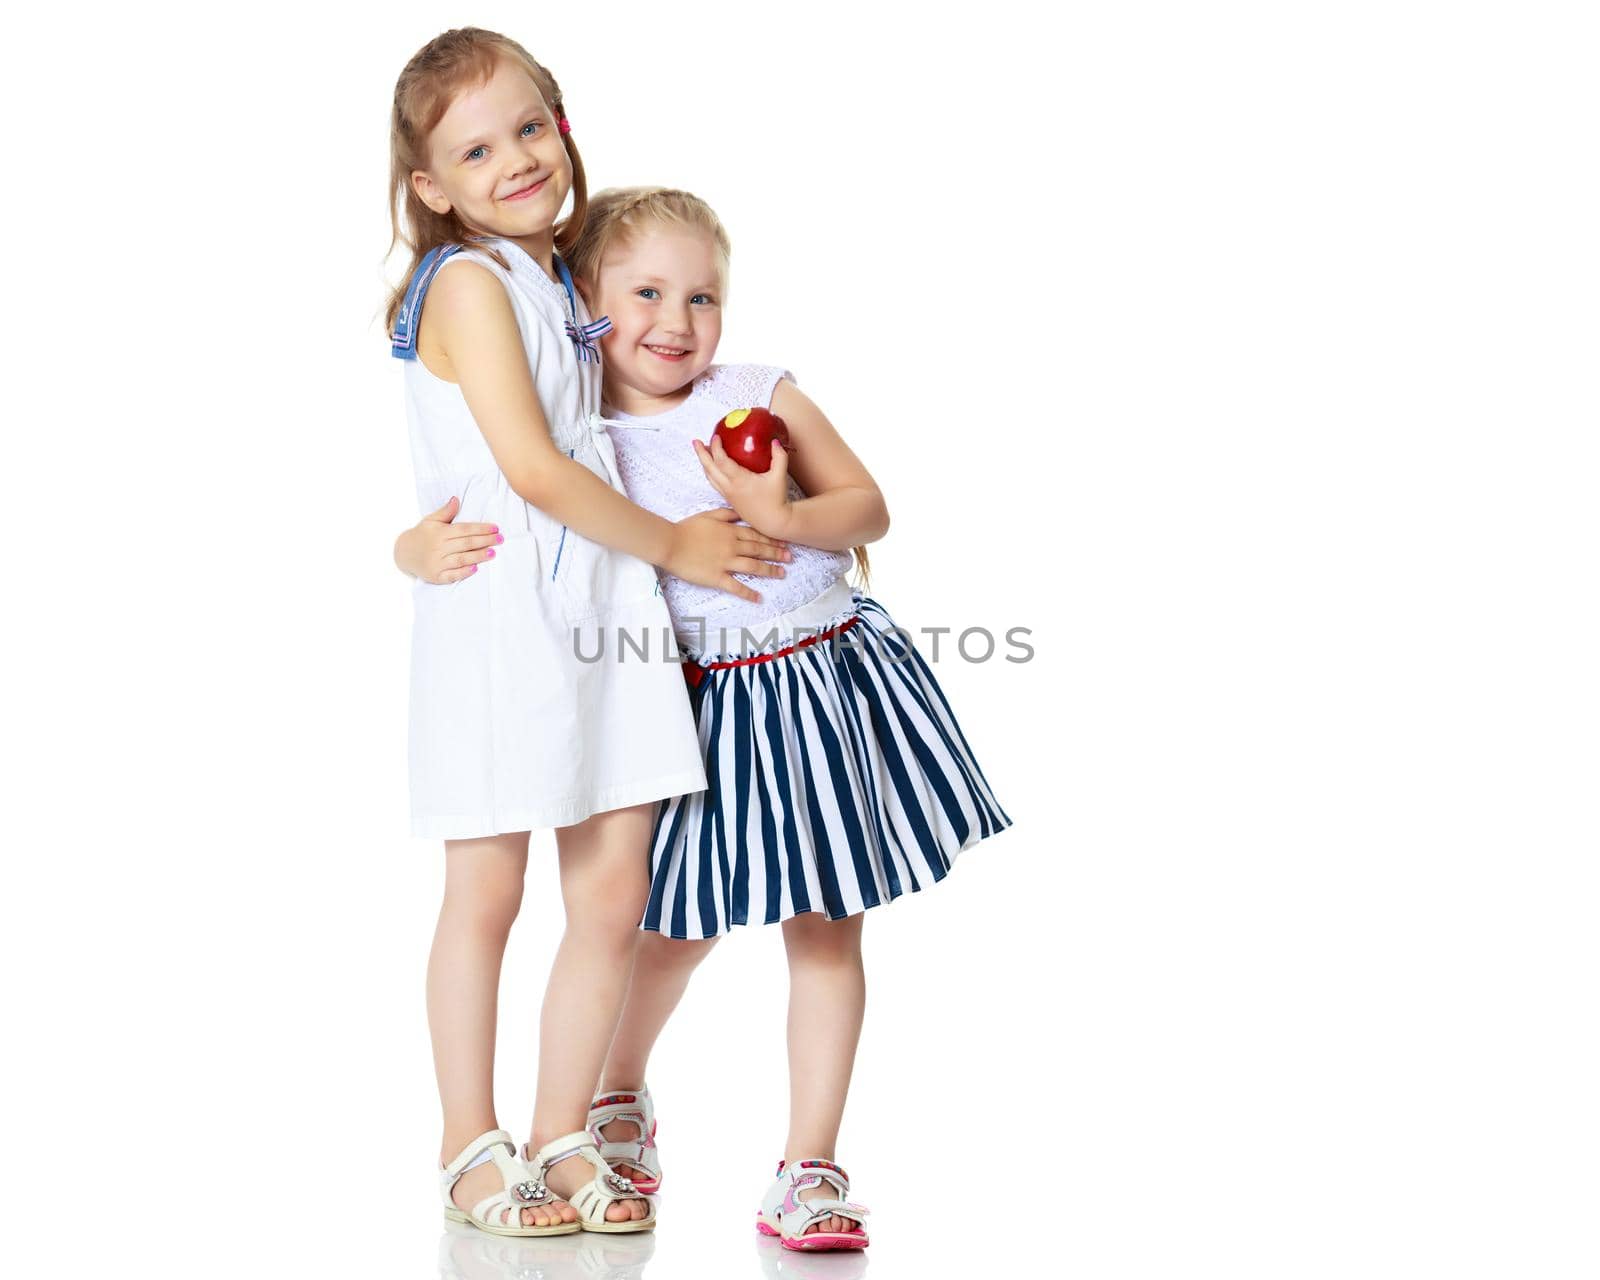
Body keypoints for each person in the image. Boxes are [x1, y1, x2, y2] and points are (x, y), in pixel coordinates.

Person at [397, 186, 1011, 1252]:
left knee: (828, 925)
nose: (675, 321)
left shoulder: (755, 394)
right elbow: (495, 483)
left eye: (701, 296)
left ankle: (809, 1166)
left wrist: (782, 512)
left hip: (820, 688)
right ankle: (613, 1095)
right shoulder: (580, 426)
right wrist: (409, 547)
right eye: (644, 292)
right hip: (695, 702)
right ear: (580, 303)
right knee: (669, 928)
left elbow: (868, 509)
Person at [385, 33, 792, 1238]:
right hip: (508, 614)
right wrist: (676, 545)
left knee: (613, 890)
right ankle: (469, 1137)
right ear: (430, 186)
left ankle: (562, 1127)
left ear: (561, 127)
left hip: (607, 613)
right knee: (489, 888)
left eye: (528, 127)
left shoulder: (566, 268)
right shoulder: (466, 281)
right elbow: (525, 464)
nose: (512, 158)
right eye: (474, 147)